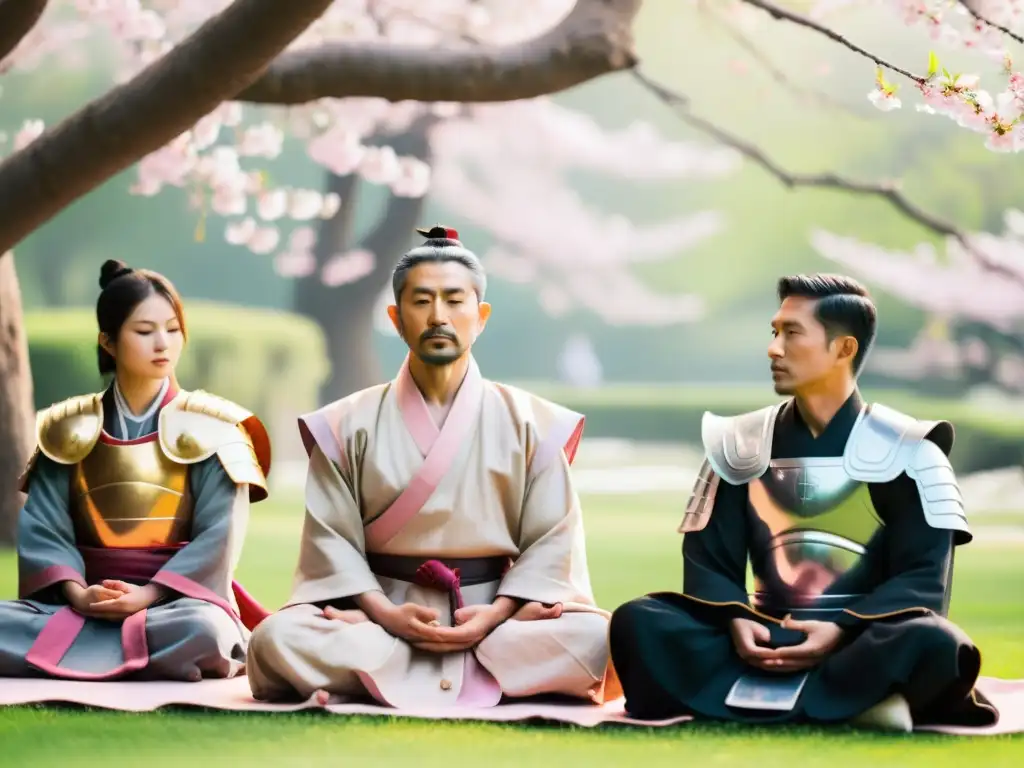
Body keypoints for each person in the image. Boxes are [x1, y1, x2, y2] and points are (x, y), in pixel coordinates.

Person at [608, 273, 999, 732]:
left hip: (861, 641)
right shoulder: (738, 443)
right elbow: (710, 563)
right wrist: (736, 619)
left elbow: (922, 580)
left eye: (791, 333)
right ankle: (863, 703)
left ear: (843, 349)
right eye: (774, 332)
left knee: (934, 643)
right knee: (639, 621)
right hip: (759, 635)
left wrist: (841, 630)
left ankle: (737, 698)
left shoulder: (910, 448)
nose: (774, 348)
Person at [246, 226, 616, 708]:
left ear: (480, 316)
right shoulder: (345, 424)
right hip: (381, 616)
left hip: (494, 621)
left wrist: (497, 614)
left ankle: (379, 676)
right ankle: (473, 672)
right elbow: (330, 542)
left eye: (454, 300)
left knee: (600, 638)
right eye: (421, 302)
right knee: (276, 639)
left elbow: (553, 542)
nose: (438, 316)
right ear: (396, 319)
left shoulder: (533, 424)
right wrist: (382, 613)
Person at [0, 260, 272, 681]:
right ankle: (128, 651)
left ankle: (79, 650)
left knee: (204, 631)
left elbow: (220, 534)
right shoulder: (66, 428)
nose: (162, 343)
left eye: (173, 329)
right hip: (83, 601)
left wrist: (148, 594)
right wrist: (78, 593)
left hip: (175, 604)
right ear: (108, 342)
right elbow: (45, 529)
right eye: (145, 331)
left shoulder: (214, 426)